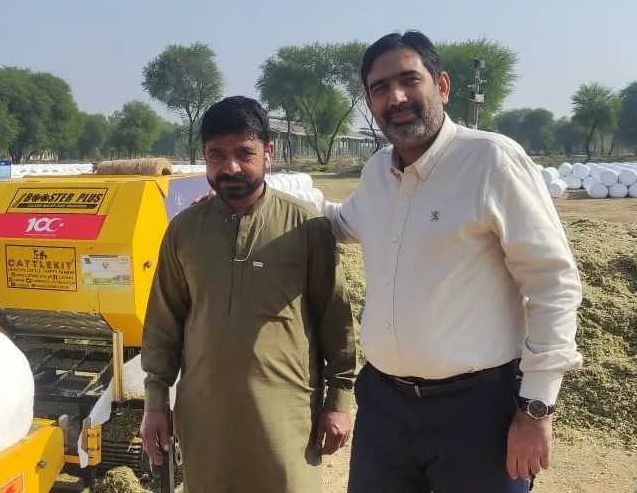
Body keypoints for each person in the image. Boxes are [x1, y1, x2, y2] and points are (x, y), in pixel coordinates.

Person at [322, 31, 584, 492]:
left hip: (477, 413)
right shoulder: (377, 173)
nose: (396, 97)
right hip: (385, 408)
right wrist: (264, 203)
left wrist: (536, 409)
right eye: (380, 88)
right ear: (370, 101)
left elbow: (552, 283)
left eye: (409, 80)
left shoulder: (490, 161)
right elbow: (341, 225)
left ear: (441, 86)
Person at [140, 95, 359, 493]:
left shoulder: (305, 228)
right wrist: (155, 402)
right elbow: (163, 323)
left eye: (244, 152)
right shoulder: (184, 231)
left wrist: (339, 401)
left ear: (268, 152)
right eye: (216, 155)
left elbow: (336, 320)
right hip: (206, 418)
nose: (231, 167)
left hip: (286, 418)